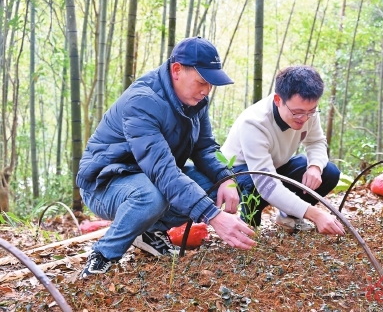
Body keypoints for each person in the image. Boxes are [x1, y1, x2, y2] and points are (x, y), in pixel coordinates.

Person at [76, 36, 256, 279]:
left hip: (150, 178)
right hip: (105, 183)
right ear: (176, 70)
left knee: (212, 188)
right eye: (202, 82)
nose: (206, 91)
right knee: (151, 196)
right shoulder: (143, 101)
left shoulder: (196, 101)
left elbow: (205, 147)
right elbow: (163, 171)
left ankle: (148, 231)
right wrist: (212, 216)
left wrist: (226, 178)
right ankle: (103, 255)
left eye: (210, 84)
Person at [221, 65, 345, 235]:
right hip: (242, 173)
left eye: (311, 111)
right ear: (278, 100)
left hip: (276, 166)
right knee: (255, 187)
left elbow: (316, 142)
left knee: (328, 172)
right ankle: (248, 222)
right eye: (297, 112)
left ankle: (289, 217)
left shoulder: (308, 113)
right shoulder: (254, 122)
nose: (304, 118)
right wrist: (315, 215)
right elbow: (265, 183)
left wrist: (315, 167)